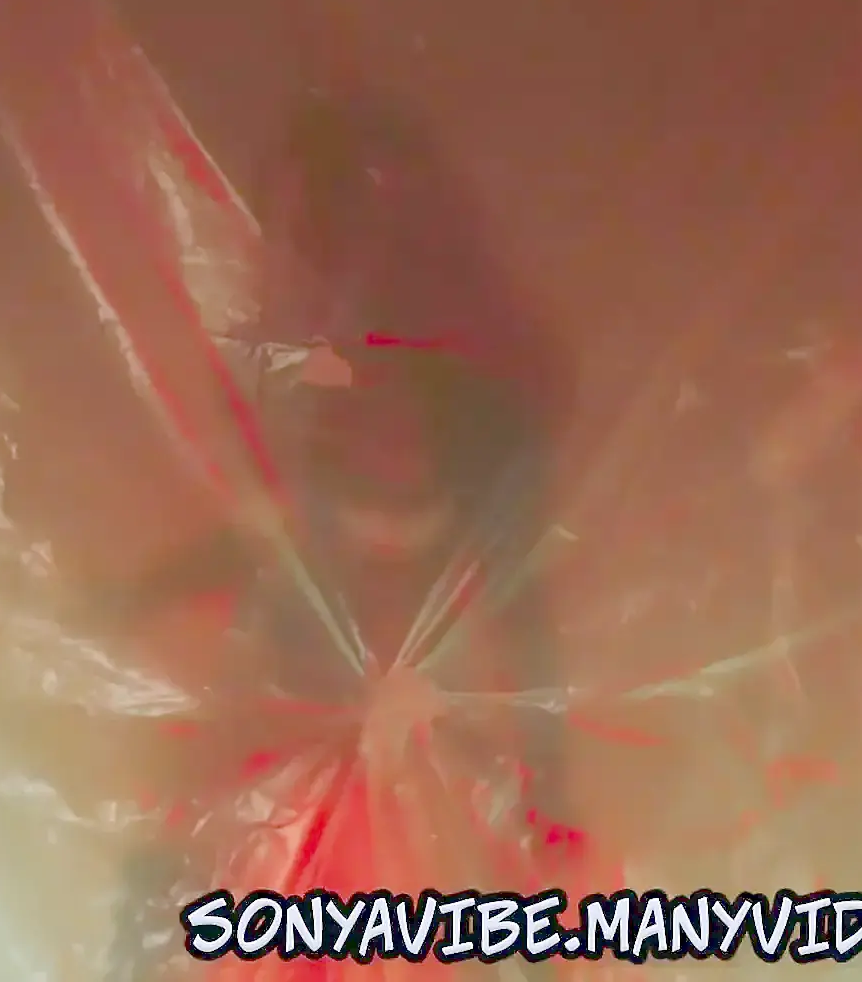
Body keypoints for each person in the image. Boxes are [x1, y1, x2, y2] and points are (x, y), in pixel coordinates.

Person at [101, 85, 573, 978]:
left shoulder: (479, 414)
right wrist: (140, 596)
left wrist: (544, 789)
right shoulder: (314, 386)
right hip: (299, 737)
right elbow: (271, 538)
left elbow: (521, 609)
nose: (286, 267)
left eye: (310, 238)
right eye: (287, 238)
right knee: (179, 905)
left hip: (401, 762)